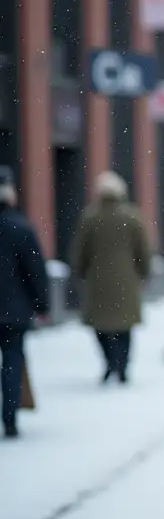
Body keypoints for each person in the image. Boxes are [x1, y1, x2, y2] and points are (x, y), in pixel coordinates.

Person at [70, 171, 152, 385]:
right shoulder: (132, 216)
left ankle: (109, 362)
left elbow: (80, 251)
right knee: (124, 327)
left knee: (101, 327)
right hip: (126, 281)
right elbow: (143, 250)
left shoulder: (90, 217)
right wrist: (144, 272)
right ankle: (122, 365)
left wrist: (79, 273)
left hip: (98, 282)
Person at [0, 167, 50, 438]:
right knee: (12, 361)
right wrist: (41, 305)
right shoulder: (20, 228)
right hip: (13, 311)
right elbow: (35, 271)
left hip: (13, 308)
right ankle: (9, 417)